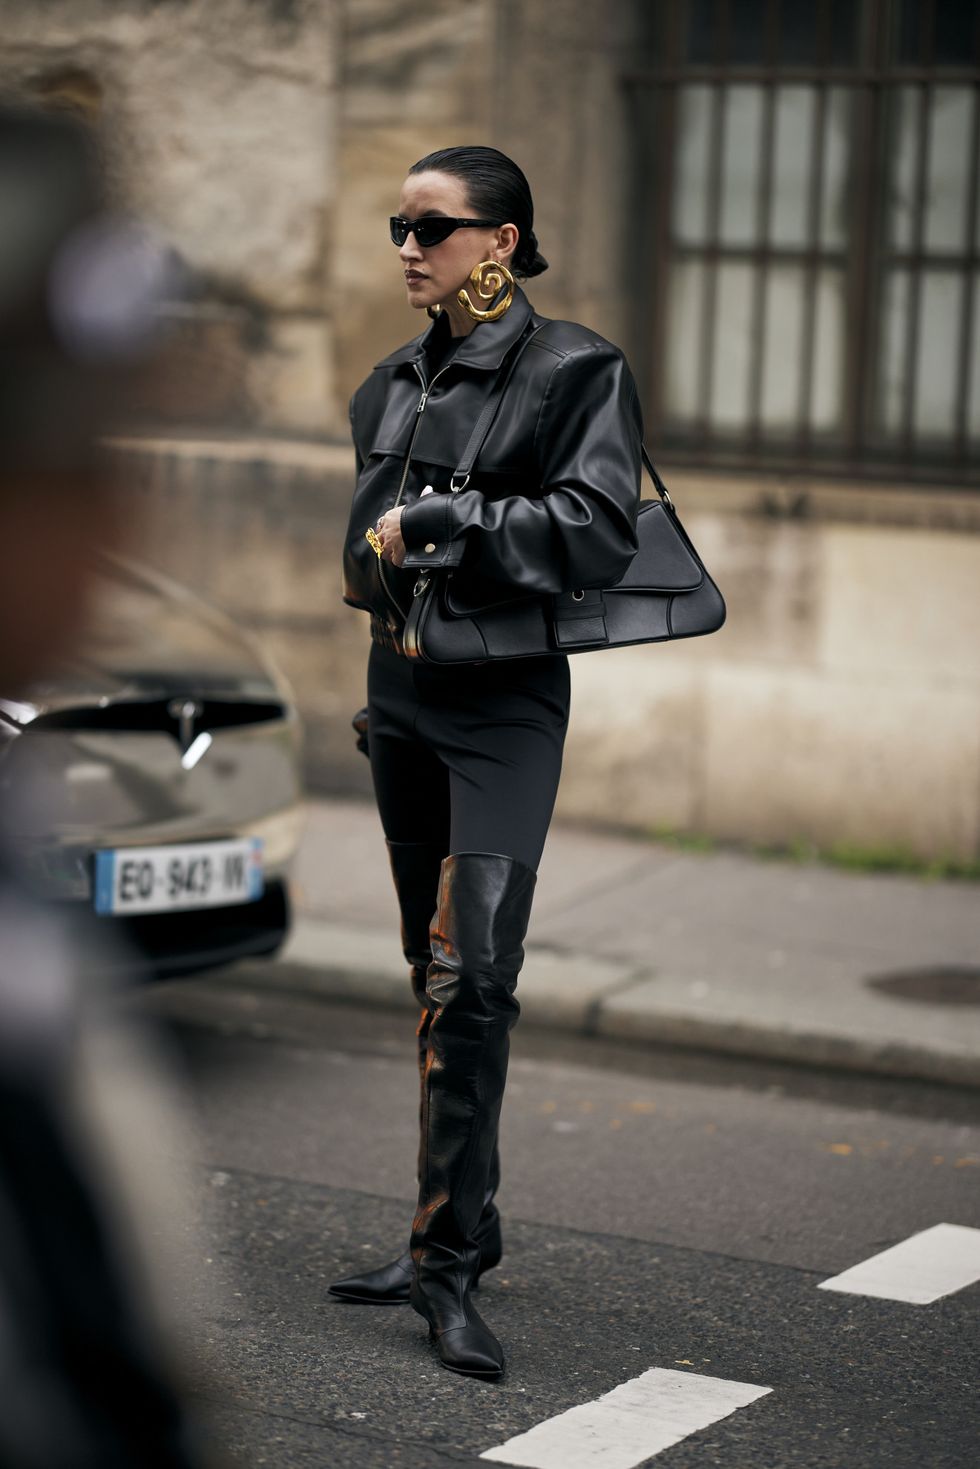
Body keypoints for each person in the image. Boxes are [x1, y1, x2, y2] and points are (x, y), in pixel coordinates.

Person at [331, 145, 643, 1381]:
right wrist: (375, 554)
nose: (407, 246)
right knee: (433, 975)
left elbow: (600, 530)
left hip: (504, 708)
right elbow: (356, 553)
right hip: (399, 694)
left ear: (500, 243)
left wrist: (442, 522)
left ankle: (453, 1261)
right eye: (395, 226)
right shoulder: (391, 379)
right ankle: (436, 1233)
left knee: (475, 982)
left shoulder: (574, 367)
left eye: (432, 227)